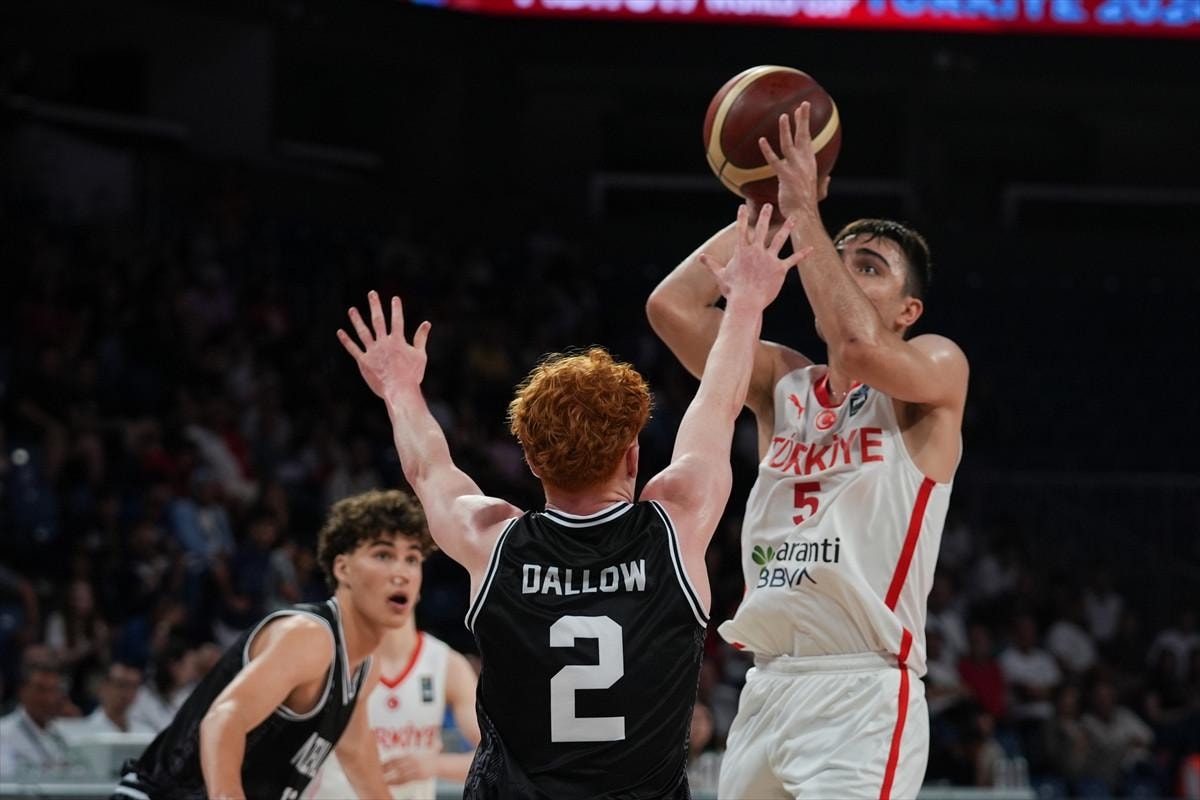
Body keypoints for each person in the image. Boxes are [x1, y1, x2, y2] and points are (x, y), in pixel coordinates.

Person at [337, 202, 809, 798]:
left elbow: (427, 467)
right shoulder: (676, 522)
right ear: (634, 455)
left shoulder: (492, 538)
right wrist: (746, 304)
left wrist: (399, 387)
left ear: (532, 463)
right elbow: (718, 402)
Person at [646, 102, 969, 799]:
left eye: (870, 268)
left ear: (908, 312)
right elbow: (672, 309)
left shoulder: (937, 368)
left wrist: (806, 210)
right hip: (767, 686)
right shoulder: (782, 381)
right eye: (837, 260)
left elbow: (858, 345)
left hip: (862, 690)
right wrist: (769, 208)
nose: (844, 274)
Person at [112, 489, 429, 800]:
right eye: (383, 555)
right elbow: (223, 719)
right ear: (342, 568)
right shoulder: (309, 636)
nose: (401, 573)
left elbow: (357, 753)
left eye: (412, 559)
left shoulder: (364, 668)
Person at [308, 561, 481, 799]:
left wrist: (436, 765)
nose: (398, 577)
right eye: (383, 558)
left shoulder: (447, 664)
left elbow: (495, 756)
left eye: (410, 560)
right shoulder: (327, 656)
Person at [0, 657, 71, 780]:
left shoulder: (60, 733)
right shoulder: (3, 733)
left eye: (54, 690)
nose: (50, 699)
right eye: (41, 690)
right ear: (23, 691)